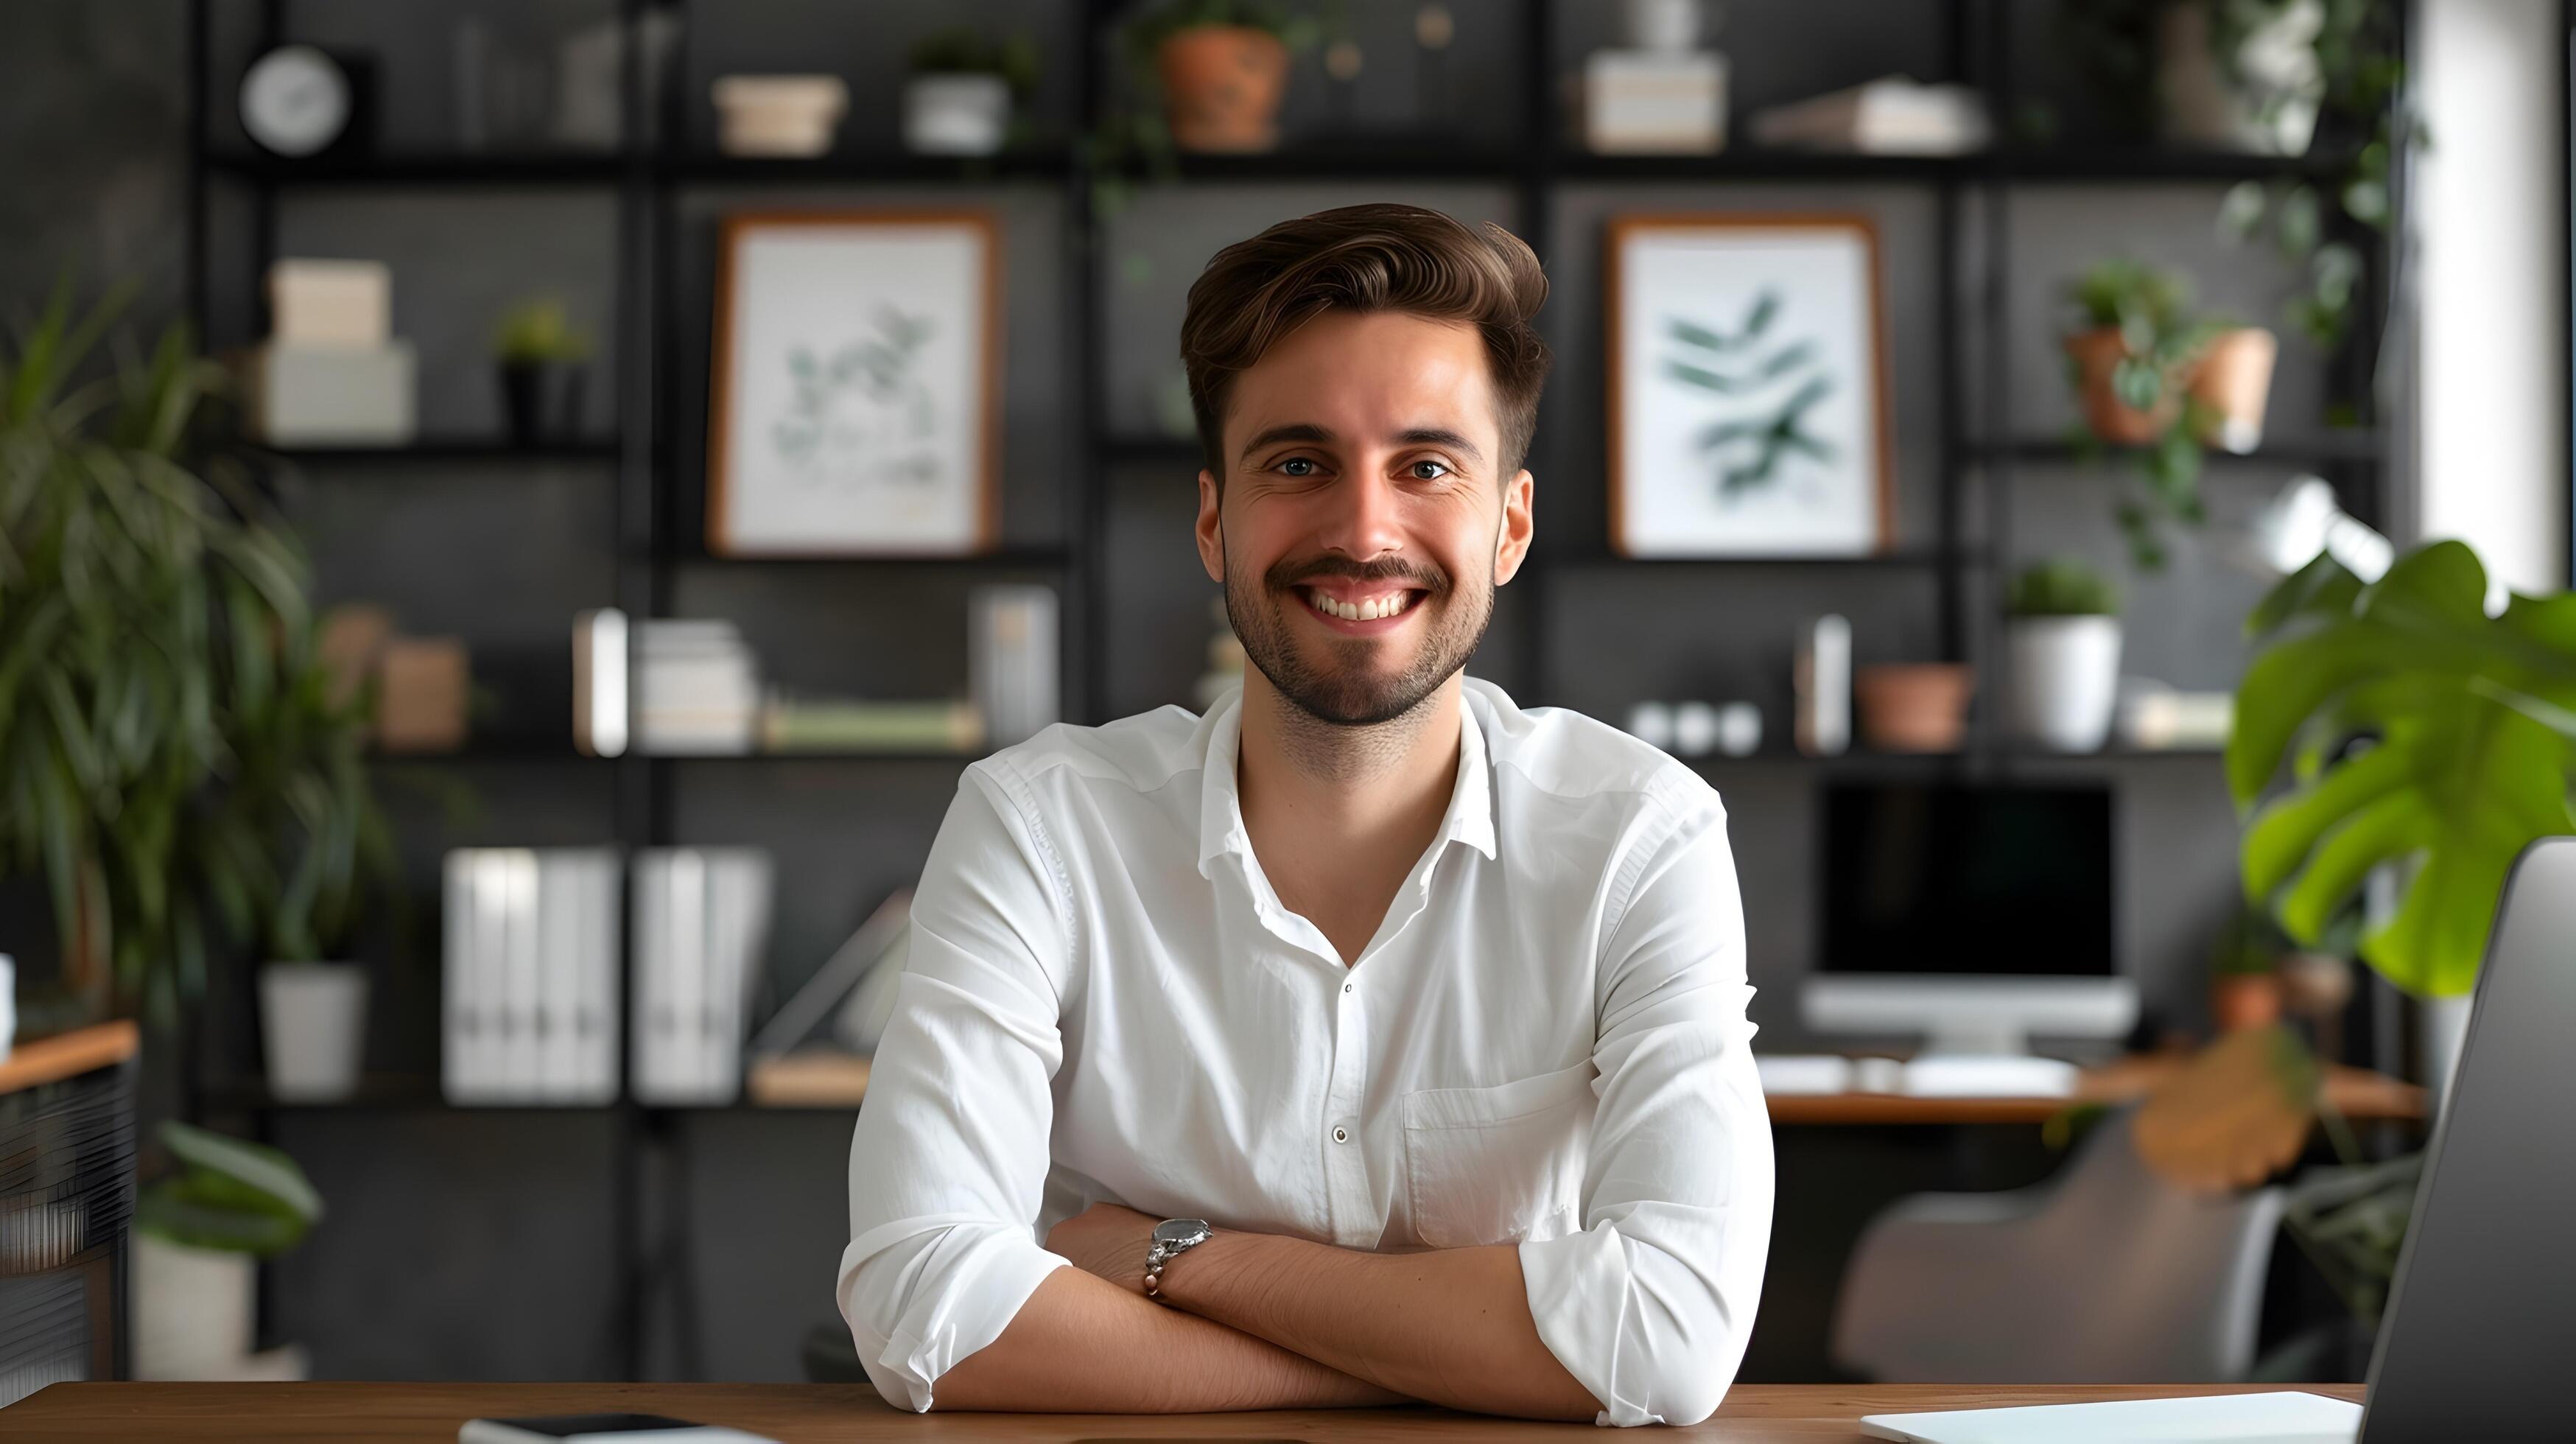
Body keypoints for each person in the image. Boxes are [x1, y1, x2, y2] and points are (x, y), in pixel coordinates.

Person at [838, 203, 1772, 1427]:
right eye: (1297, 463)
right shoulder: (1040, 827)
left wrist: (1182, 1261)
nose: (1364, 531)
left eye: (1427, 466)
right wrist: (1451, 1359)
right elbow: (921, 1299)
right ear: (1215, 519)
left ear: (1510, 524)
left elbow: (1665, 1340)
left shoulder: (1643, 837)